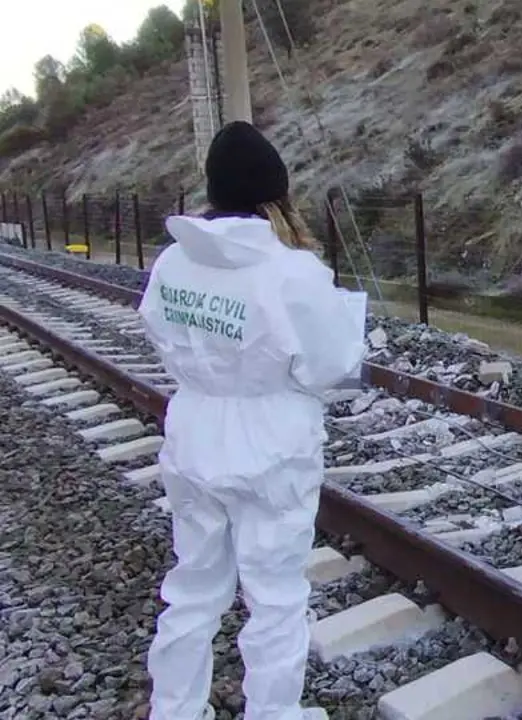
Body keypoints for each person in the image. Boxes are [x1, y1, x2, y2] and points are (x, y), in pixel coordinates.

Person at [139, 121, 366, 720]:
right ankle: (272, 712)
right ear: (276, 193)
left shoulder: (172, 263)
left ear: (214, 190)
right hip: (271, 445)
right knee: (275, 595)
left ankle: (175, 708)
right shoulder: (292, 271)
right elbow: (331, 364)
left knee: (192, 586)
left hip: (193, 434)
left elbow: (157, 331)